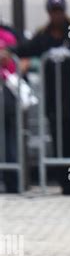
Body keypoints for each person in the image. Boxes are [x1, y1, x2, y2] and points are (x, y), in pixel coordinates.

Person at [15, 0, 70, 195]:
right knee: (61, 144)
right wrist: (9, 52)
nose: (57, 16)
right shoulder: (44, 34)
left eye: (59, 12)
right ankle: (67, 185)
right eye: (53, 12)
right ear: (49, 13)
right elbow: (26, 48)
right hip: (55, 103)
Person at [0, 25, 20, 193]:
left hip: (7, 94)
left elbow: (13, 62)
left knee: (9, 139)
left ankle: (12, 182)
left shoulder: (7, 35)